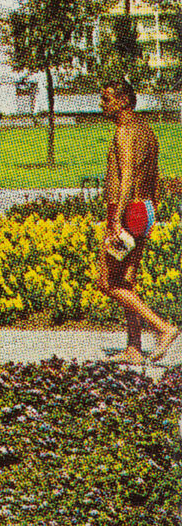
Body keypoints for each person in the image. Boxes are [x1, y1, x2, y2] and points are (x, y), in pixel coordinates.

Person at [96, 79, 178, 368]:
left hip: (128, 211)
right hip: (145, 209)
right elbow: (155, 178)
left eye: (107, 99)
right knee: (126, 281)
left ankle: (163, 328)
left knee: (107, 281)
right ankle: (133, 347)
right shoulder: (147, 131)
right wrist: (149, 214)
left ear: (123, 101)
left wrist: (116, 220)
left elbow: (127, 177)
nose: (102, 105)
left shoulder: (125, 131)